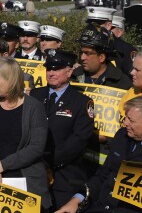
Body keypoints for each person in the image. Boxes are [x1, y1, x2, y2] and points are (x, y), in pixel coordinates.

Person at [54, 96, 142, 213]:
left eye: (131, 120)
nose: (125, 123)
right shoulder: (122, 136)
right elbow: (103, 175)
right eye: (125, 118)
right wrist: (77, 199)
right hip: (100, 207)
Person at [0, 58, 51, 208]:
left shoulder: (34, 108)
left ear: (11, 80)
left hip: (24, 183)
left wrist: (2, 165)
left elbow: (36, 147)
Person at [29, 50, 95, 209]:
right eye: (48, 69)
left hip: (65, 175)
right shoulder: (35, 95)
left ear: (70, 70)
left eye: (56, 69)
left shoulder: (81, 102)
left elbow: (79, 139)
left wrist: (49, 162)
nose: (51, 73)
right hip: (34, 170)